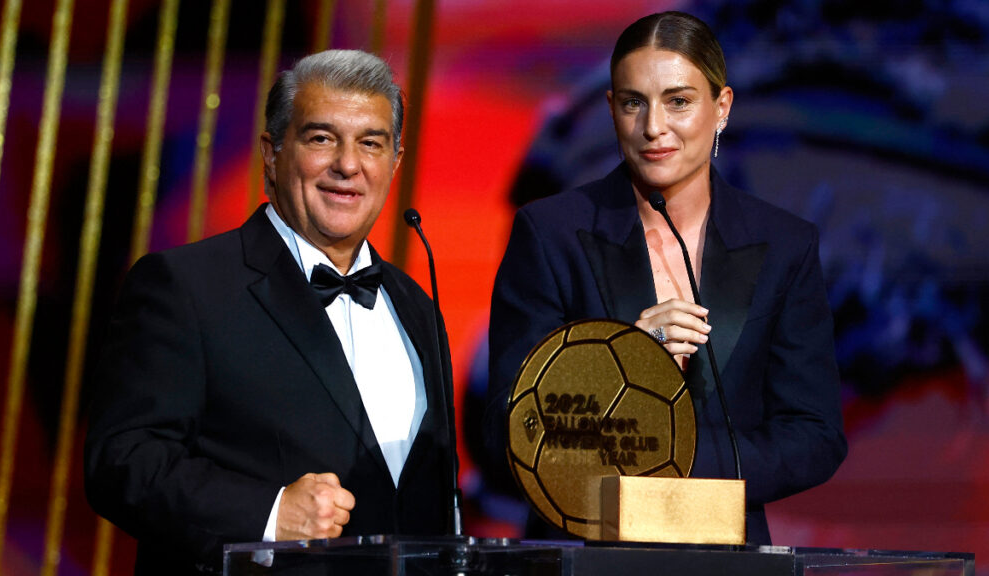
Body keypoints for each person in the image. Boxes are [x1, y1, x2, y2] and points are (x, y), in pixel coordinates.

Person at [85, 50, 452, 574]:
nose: (348, 164)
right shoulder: (185, 286)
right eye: (321, 138)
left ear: (394, 162)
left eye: (370, 143)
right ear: (273, 154)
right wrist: (270, 514)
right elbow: (122, 463)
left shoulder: (417, 305)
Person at [486, 11, 847, 544]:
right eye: (634, 103)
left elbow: (814, 435)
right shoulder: (550, 233)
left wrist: (679, 461)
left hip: (724, 553)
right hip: (583, 553)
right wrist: (622, 357)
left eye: (678, 101)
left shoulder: (784, 245)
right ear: (612, 109)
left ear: (721, 108)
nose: (654, 127)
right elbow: (510, 424)